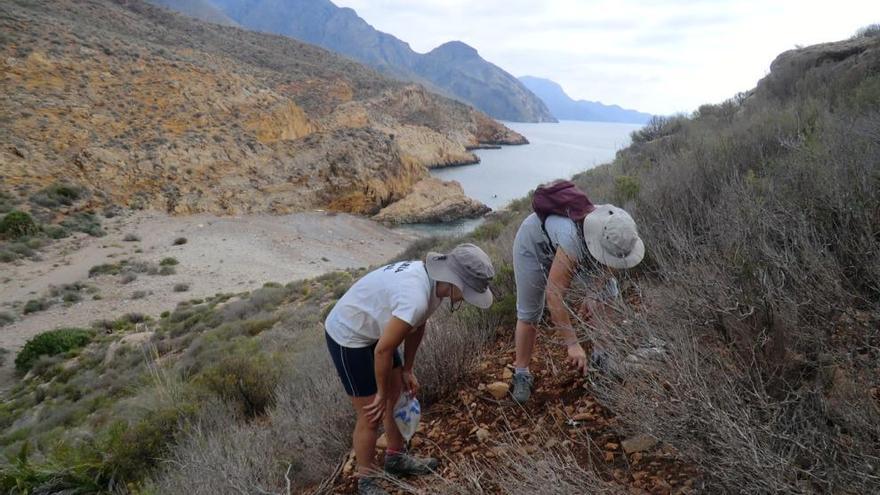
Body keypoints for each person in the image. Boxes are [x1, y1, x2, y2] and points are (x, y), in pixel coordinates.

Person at [324, 243, 495, 494]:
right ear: (456, 282)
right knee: (371, 413)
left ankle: (395, 458)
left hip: (377, 329)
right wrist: (380, 393)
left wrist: (407, 369)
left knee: (398, 395)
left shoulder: (434, 284)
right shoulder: (414, 295)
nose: (468, 299)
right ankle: (367, 481)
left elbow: (418, 323)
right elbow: (383, 350)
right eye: (468, 291)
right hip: (348, 335)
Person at [510, 189, 645, 404]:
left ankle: (602, 357)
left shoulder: (620, 226)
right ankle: (521, 373)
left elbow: (615, 261)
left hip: (574, 247)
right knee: (529, 313)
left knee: (608, 292)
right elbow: (554, 295)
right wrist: (572, 343)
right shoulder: (572, 239)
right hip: (535, 245)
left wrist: (592, 293)